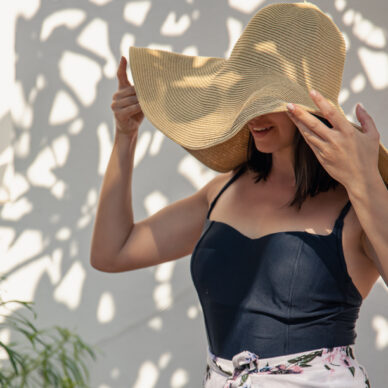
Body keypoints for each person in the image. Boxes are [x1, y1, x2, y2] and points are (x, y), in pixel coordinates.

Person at [90, 2, 388, 387]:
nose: (253, 114)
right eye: (246, 97)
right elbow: (112, 251)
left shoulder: (355, 204)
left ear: (314, 108)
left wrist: (365, 179)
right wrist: (125, 138)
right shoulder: (223, 191)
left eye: (270, 102)